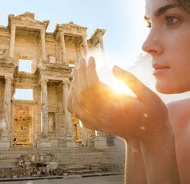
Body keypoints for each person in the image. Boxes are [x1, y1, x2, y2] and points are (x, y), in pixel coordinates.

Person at [67, 0, 190, 183]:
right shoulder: (170, 116)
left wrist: (156, 134)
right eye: (149, 24)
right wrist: (138, 137)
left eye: (171, 20)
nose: (146, 44)